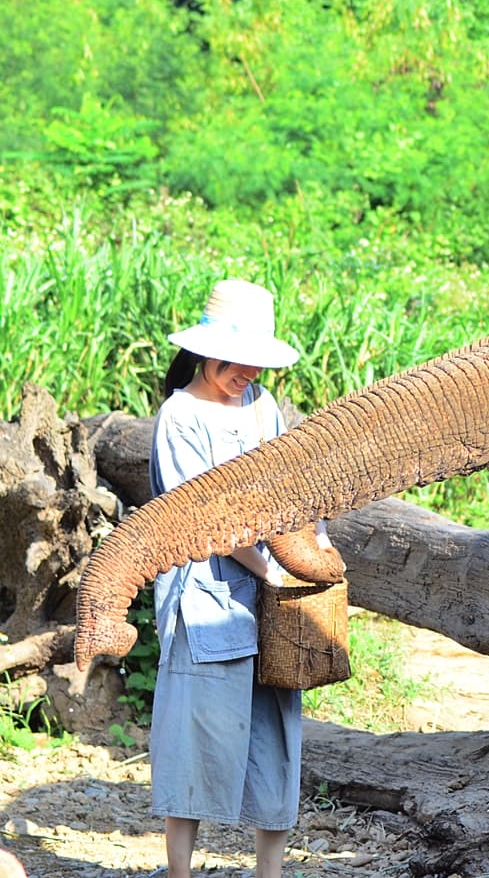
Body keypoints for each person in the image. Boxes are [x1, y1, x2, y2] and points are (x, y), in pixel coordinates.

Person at [148, 278, 334, 878]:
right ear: (208, 353)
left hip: (270, 601)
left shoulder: (264, 407)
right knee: (195, 738)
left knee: (275, 734)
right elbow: (200, 517)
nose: (248, 373)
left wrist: (312, 545)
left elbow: (289, 492)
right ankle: (180, 871)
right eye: (240, 362)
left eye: (258, 362)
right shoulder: (179, 415)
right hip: (202, 598)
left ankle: (269, 873)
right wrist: (276, 566)